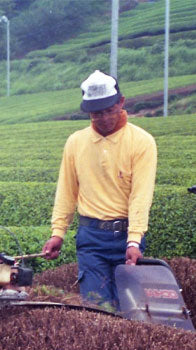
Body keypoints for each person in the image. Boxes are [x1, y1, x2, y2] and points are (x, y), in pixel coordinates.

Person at [41, 70, 157, 309]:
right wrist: (58, 232)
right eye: (96, 114)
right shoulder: (75, 142)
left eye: (108, 110)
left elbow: (140, 196)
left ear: (121, 103)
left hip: (125, 235)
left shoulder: (142, 141)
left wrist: (134, 241)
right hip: (90, 236)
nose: (103, 118)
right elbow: (66, 190)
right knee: (96, 308)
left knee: (131, 309)